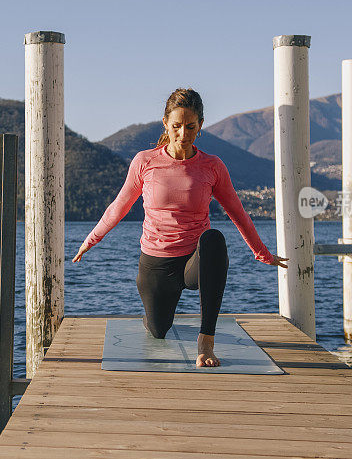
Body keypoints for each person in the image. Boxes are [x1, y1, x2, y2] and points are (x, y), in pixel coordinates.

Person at [72, 88, 288, 367]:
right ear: (165, 124)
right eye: (176, 126)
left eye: (190, 127)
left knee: (213, 239)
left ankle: (206, 341)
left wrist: (262, 253)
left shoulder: (212, 166)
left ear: (200, 125)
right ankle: (153, 317)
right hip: (156, 262)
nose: (183, 134)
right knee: (158, 331)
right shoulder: (145, 161)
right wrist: (90, 240)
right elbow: (119, 206)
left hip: (193, 261)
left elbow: (237, 213)